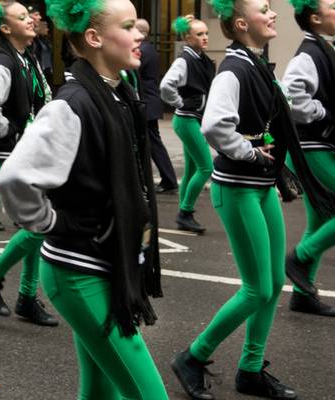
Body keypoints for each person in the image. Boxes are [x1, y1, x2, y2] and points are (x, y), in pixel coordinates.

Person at [0, 0, 168, 397]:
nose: (140, 33)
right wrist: (53, 223)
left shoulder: (118, 93)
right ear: (94, 38)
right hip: (80, 273)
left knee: (99, 393)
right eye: (128, 26)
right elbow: (13, 179)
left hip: (104, 264)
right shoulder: (71, 105)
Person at [171, 1, 335, 398]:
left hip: (260, 188)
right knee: (256, 288)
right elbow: (213, 124)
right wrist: (248, 152)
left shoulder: (257, 64)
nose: (273, 13)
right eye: (265, 8)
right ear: (243, 23)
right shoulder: (234, 68)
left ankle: (251, 368)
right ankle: (193, 356)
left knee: (274, 282)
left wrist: (273, 167)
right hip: (238, 188)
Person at [0, 0, 56, 327]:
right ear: (6, 28)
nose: (32, 19)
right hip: (7, 157)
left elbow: (41, 95)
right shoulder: (5, 63)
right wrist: (5, 130)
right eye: (22, 17)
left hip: (23, 155)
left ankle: (26, 298)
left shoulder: (25, 57)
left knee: (36, 228)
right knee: (39, 226)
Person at [281, 0, 335, 316]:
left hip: (319, 146)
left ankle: (302, 295)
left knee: (321, 219)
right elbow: (292, 97)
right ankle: (299, 258)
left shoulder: (324, 48)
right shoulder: (309, 53)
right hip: (313, 147)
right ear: (315, 18)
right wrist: (324, 114)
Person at [160, 15, 216, 234]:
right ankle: (185, 212)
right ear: (187, 37)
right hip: (186, 119)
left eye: (206, 33)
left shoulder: (199, 57)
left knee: (194, 168)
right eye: (200, 34)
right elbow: (165, 86)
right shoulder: (184, 60)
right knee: (206, 167)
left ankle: (184, 213)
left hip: (191, 119)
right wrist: (179, 102)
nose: (205, 38)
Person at [137, 18, 179, 194]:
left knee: (153, 144)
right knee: (150, 143)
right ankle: (162, 179)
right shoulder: (150, 49)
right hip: (151, 101)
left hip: (146, 102)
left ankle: (168, 179)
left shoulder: (141, 51)